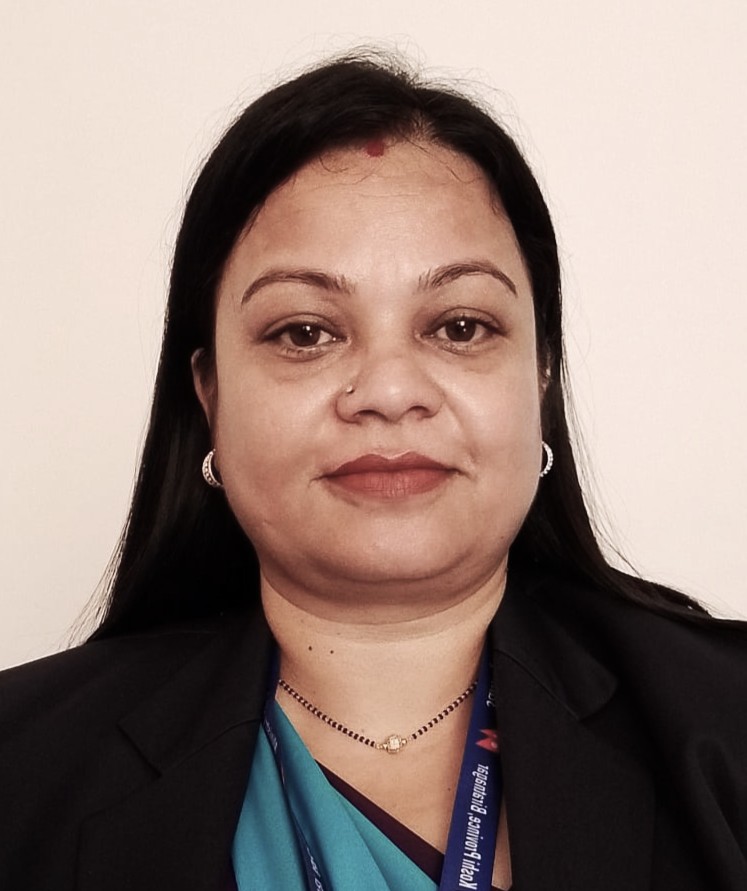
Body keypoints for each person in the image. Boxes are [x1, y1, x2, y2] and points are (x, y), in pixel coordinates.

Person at [1, 52, 745, 891]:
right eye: (304, 332)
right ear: (209, 394)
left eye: (459, 326)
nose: (389, 393)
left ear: (540, 377)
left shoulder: (725, 723)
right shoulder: (22, 767)